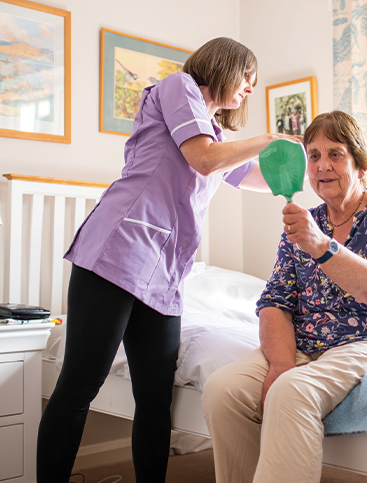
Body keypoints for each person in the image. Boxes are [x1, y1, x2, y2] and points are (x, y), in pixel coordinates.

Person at [36, 37, 300, 483]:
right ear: (224, 66)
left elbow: (253, 176)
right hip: (118, 251)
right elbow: (202, 161)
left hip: (164, 275)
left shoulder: (214, 133)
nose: (250, 91)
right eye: (248, 80)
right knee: (80, 385)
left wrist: (307, 168)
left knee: (155, 398)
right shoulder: (179, 87)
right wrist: (268, 139)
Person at [201, 110, 367, 483]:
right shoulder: (305, 221)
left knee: (293, 392)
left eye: (336, 154)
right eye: (313, 155)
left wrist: (322, 246)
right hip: (311, 341)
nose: (322, 165)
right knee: (223, 389)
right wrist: (280, 364)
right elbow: (276, 300)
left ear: (360, 165)